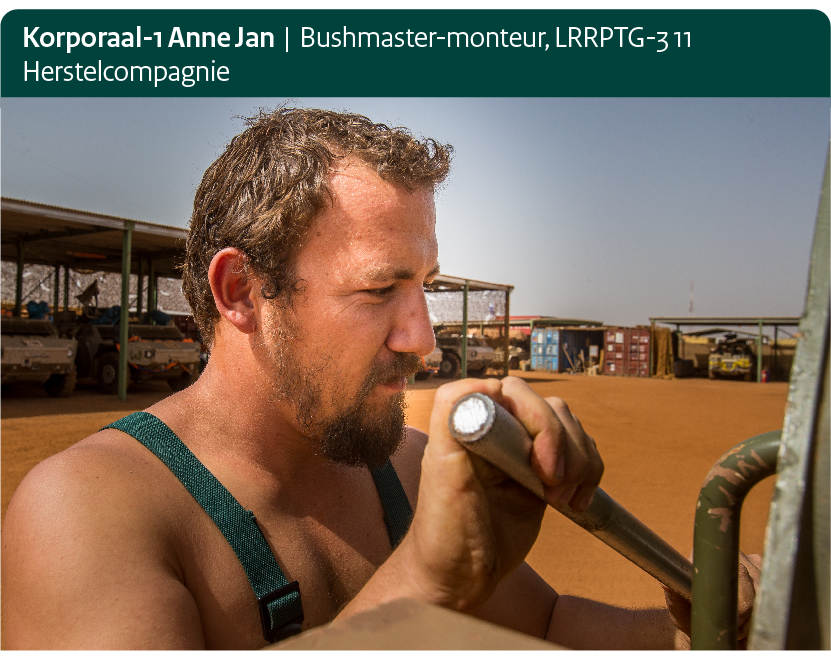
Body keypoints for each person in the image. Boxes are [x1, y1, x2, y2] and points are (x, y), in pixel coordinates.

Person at [1, 108, 756, 650]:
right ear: (242, 293)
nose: (422, 338)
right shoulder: (91, 515)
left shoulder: (410, 470)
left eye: (423, 287)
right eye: (377, 291)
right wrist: (424, 584)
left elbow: (548, 628)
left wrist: (715, 628)